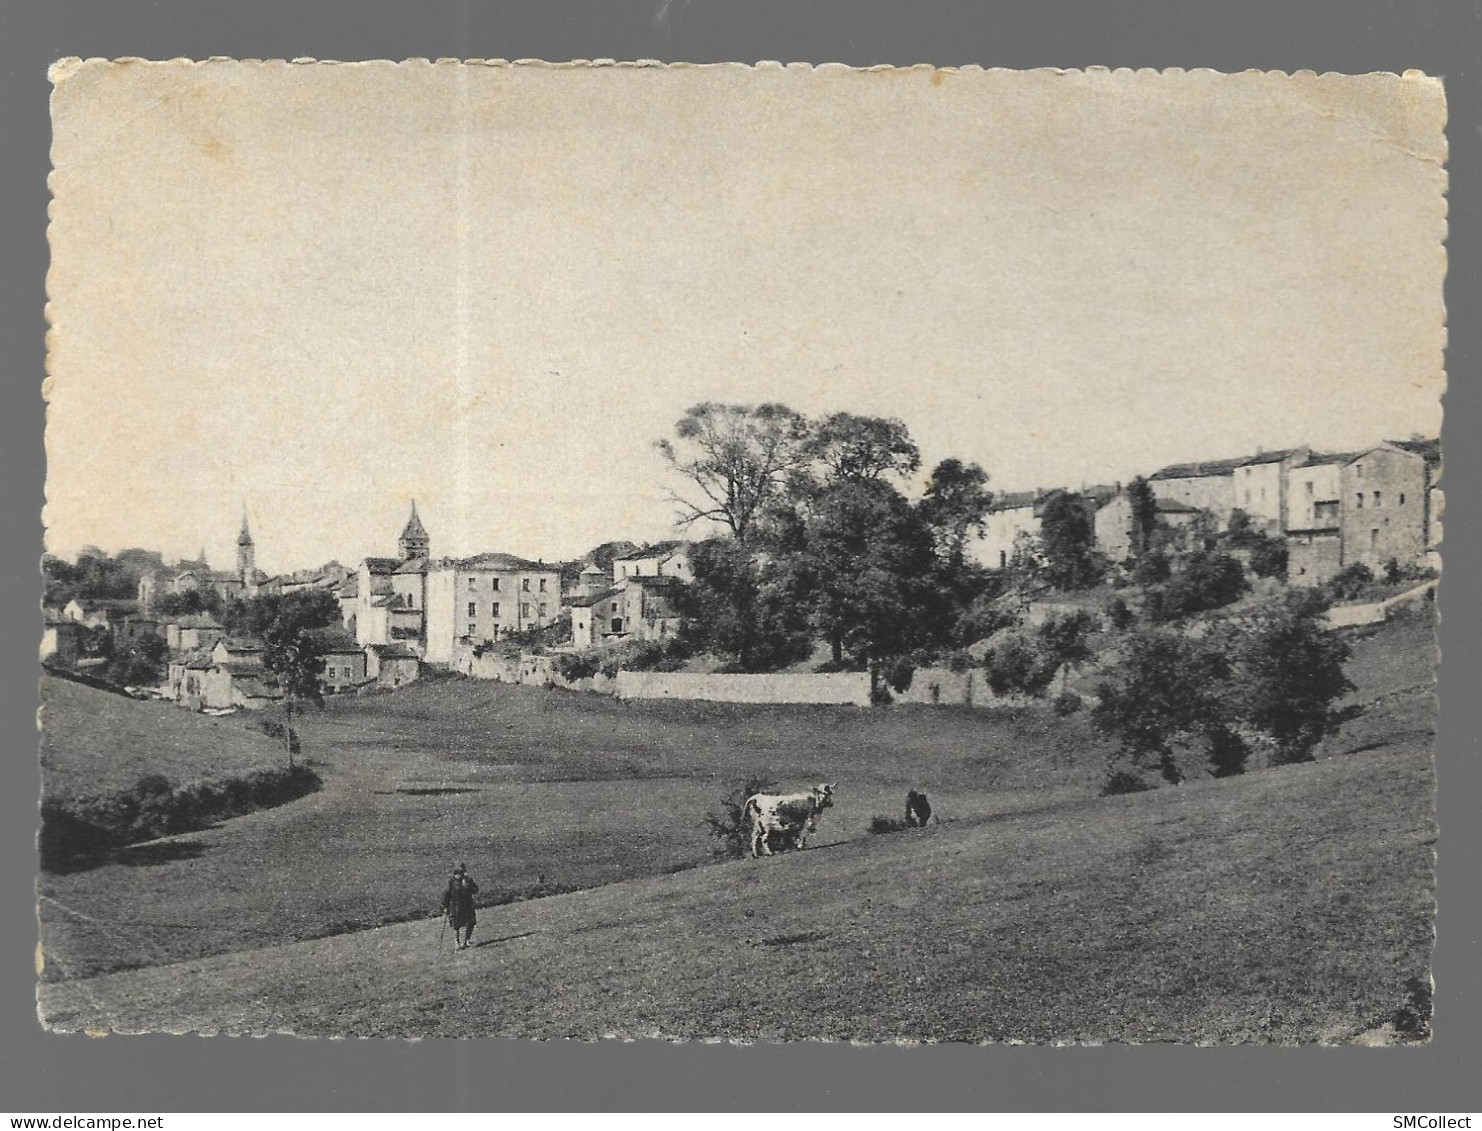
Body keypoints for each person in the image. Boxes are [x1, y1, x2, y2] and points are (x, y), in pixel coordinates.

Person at [440, 863, 479, 950]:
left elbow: (476, 889)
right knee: (456, 924)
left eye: (462, 872)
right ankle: (457, 943)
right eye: (459, 872)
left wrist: (469, 887)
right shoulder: (452, 882)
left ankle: (466, 941)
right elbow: (446, 894)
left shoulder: (468, 880)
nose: (461, 874)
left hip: (468, 904)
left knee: (470, 922)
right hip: (456, 905)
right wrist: (445, 906)